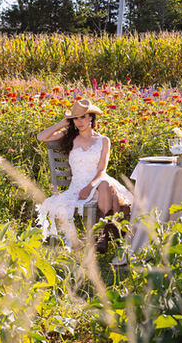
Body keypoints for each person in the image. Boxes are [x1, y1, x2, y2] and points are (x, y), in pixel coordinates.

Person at [36, 98, 133, 252]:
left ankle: (103, 236)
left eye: (83, 117)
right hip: (79, 186)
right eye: (75, 118)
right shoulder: (69, 136)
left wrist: (90, 186)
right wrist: (63, 123)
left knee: (105, 184)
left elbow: (102, 170)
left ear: (91, 118)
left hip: (98, 182)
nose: (79, 121)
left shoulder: (103, 140)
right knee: (113, 199)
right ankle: (110, 235)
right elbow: (41, 137)